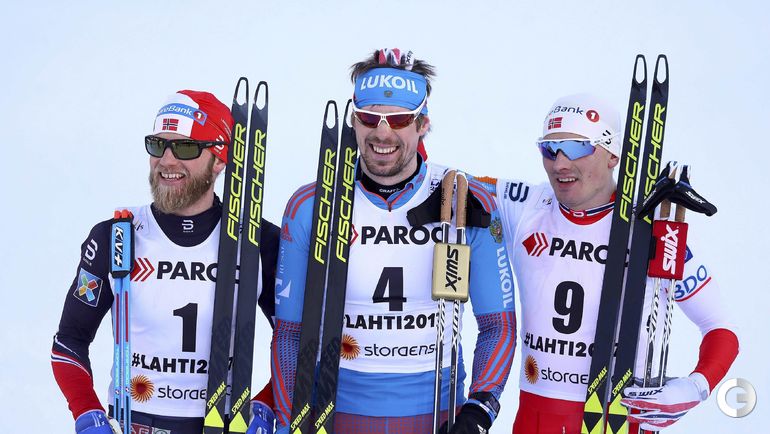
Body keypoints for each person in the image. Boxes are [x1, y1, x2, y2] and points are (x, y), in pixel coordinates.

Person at [271, 48, 516, 434]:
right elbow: (289, 333)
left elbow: (497, 325)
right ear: (354, 121)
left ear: (423, 124)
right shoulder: (312, 205)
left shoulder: (464, 200)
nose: (382, 133)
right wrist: (290, 422)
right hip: (336, 415)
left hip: (437, 417)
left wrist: (478, 412)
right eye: (369, 118)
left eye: (400, 119)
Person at [476, 93, 739, 433]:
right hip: (535, 418)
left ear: (614, 155)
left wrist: (696, 386)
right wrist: (408, 118)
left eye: (576, 148)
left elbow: (719, 325)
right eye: (549, 149)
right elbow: (445, 184)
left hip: (617, 419)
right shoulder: (526, 203)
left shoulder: (653, 230)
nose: (559, 163)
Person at [51, 90, 280, 434]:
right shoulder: (116, 236)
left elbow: (298, 342)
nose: (167, 160)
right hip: (134, 423)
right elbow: (69, 341)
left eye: (185, 147)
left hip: (223, 424)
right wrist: (87, 413)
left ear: (219, 160)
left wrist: (265, 405)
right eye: (158, 145)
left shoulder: (257, 242)